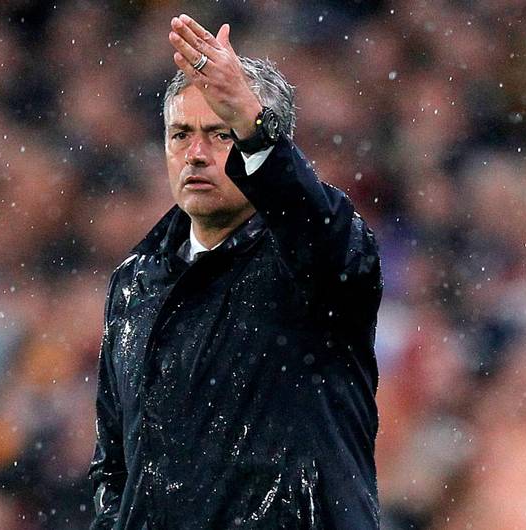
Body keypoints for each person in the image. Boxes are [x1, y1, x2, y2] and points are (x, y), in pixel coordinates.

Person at [89, 13, 382, 530]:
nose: (195, 154)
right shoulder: (134, 283)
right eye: (180, 134)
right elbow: (115, 466)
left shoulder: (315, 258)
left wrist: (253, 122)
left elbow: (320, 229)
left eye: (220, 134)